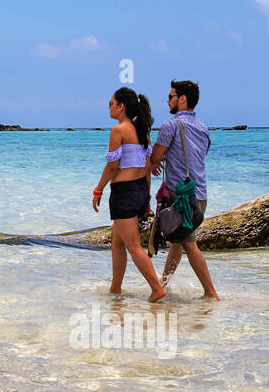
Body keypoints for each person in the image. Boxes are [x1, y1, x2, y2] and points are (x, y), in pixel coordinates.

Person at [149, 79, 221, 300]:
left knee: (189, 245)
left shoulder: (171, 125)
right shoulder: (204, 129)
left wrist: (152, 161)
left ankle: (211, 293)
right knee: (177, 244)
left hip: (182, 199)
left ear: (182, 99)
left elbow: (157, 156)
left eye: (170, 97)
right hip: (200, 194)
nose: (167, 101)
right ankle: (164, 285)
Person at [92, 87, 165, 302]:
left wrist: (98, 189)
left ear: (121, 106)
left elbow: (112, 167)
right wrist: (147, 199)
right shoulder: (142, 131)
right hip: (141, 190)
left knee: (133, 246)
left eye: (111, 103)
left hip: (124, 194)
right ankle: (115, 289)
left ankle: (157, 288)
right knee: (117, 242)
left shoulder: (119, 130)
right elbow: (148, 165)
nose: (109, 106)